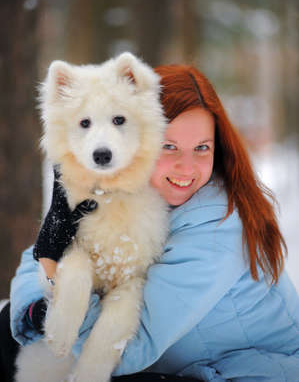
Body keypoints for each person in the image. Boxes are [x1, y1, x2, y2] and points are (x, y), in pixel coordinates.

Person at [1, 64, 299, 382]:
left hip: (240, 375)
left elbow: (128, 349)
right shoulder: (126, 192)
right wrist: (43, 308)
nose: (186, 168)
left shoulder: (218, 228)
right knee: (11, 327)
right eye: (168, 146)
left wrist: (66, 308)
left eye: (202, 148)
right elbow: (38, 258)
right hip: (183, 368)